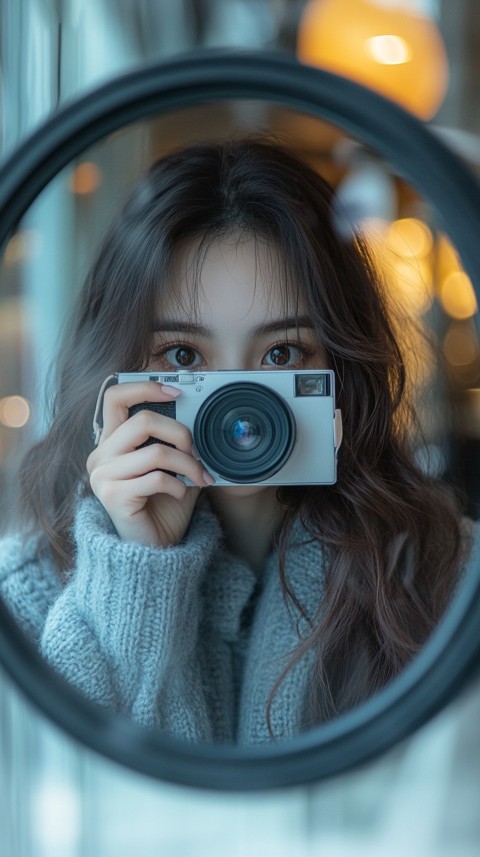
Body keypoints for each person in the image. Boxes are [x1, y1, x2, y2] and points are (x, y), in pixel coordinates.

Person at [0, 138, 474, 744]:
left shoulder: (447, 577)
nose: (237, 406)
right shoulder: (28, 595)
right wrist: (133, 572)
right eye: (183, 356)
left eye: (280, 353)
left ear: (340, 370)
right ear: (118, 375)